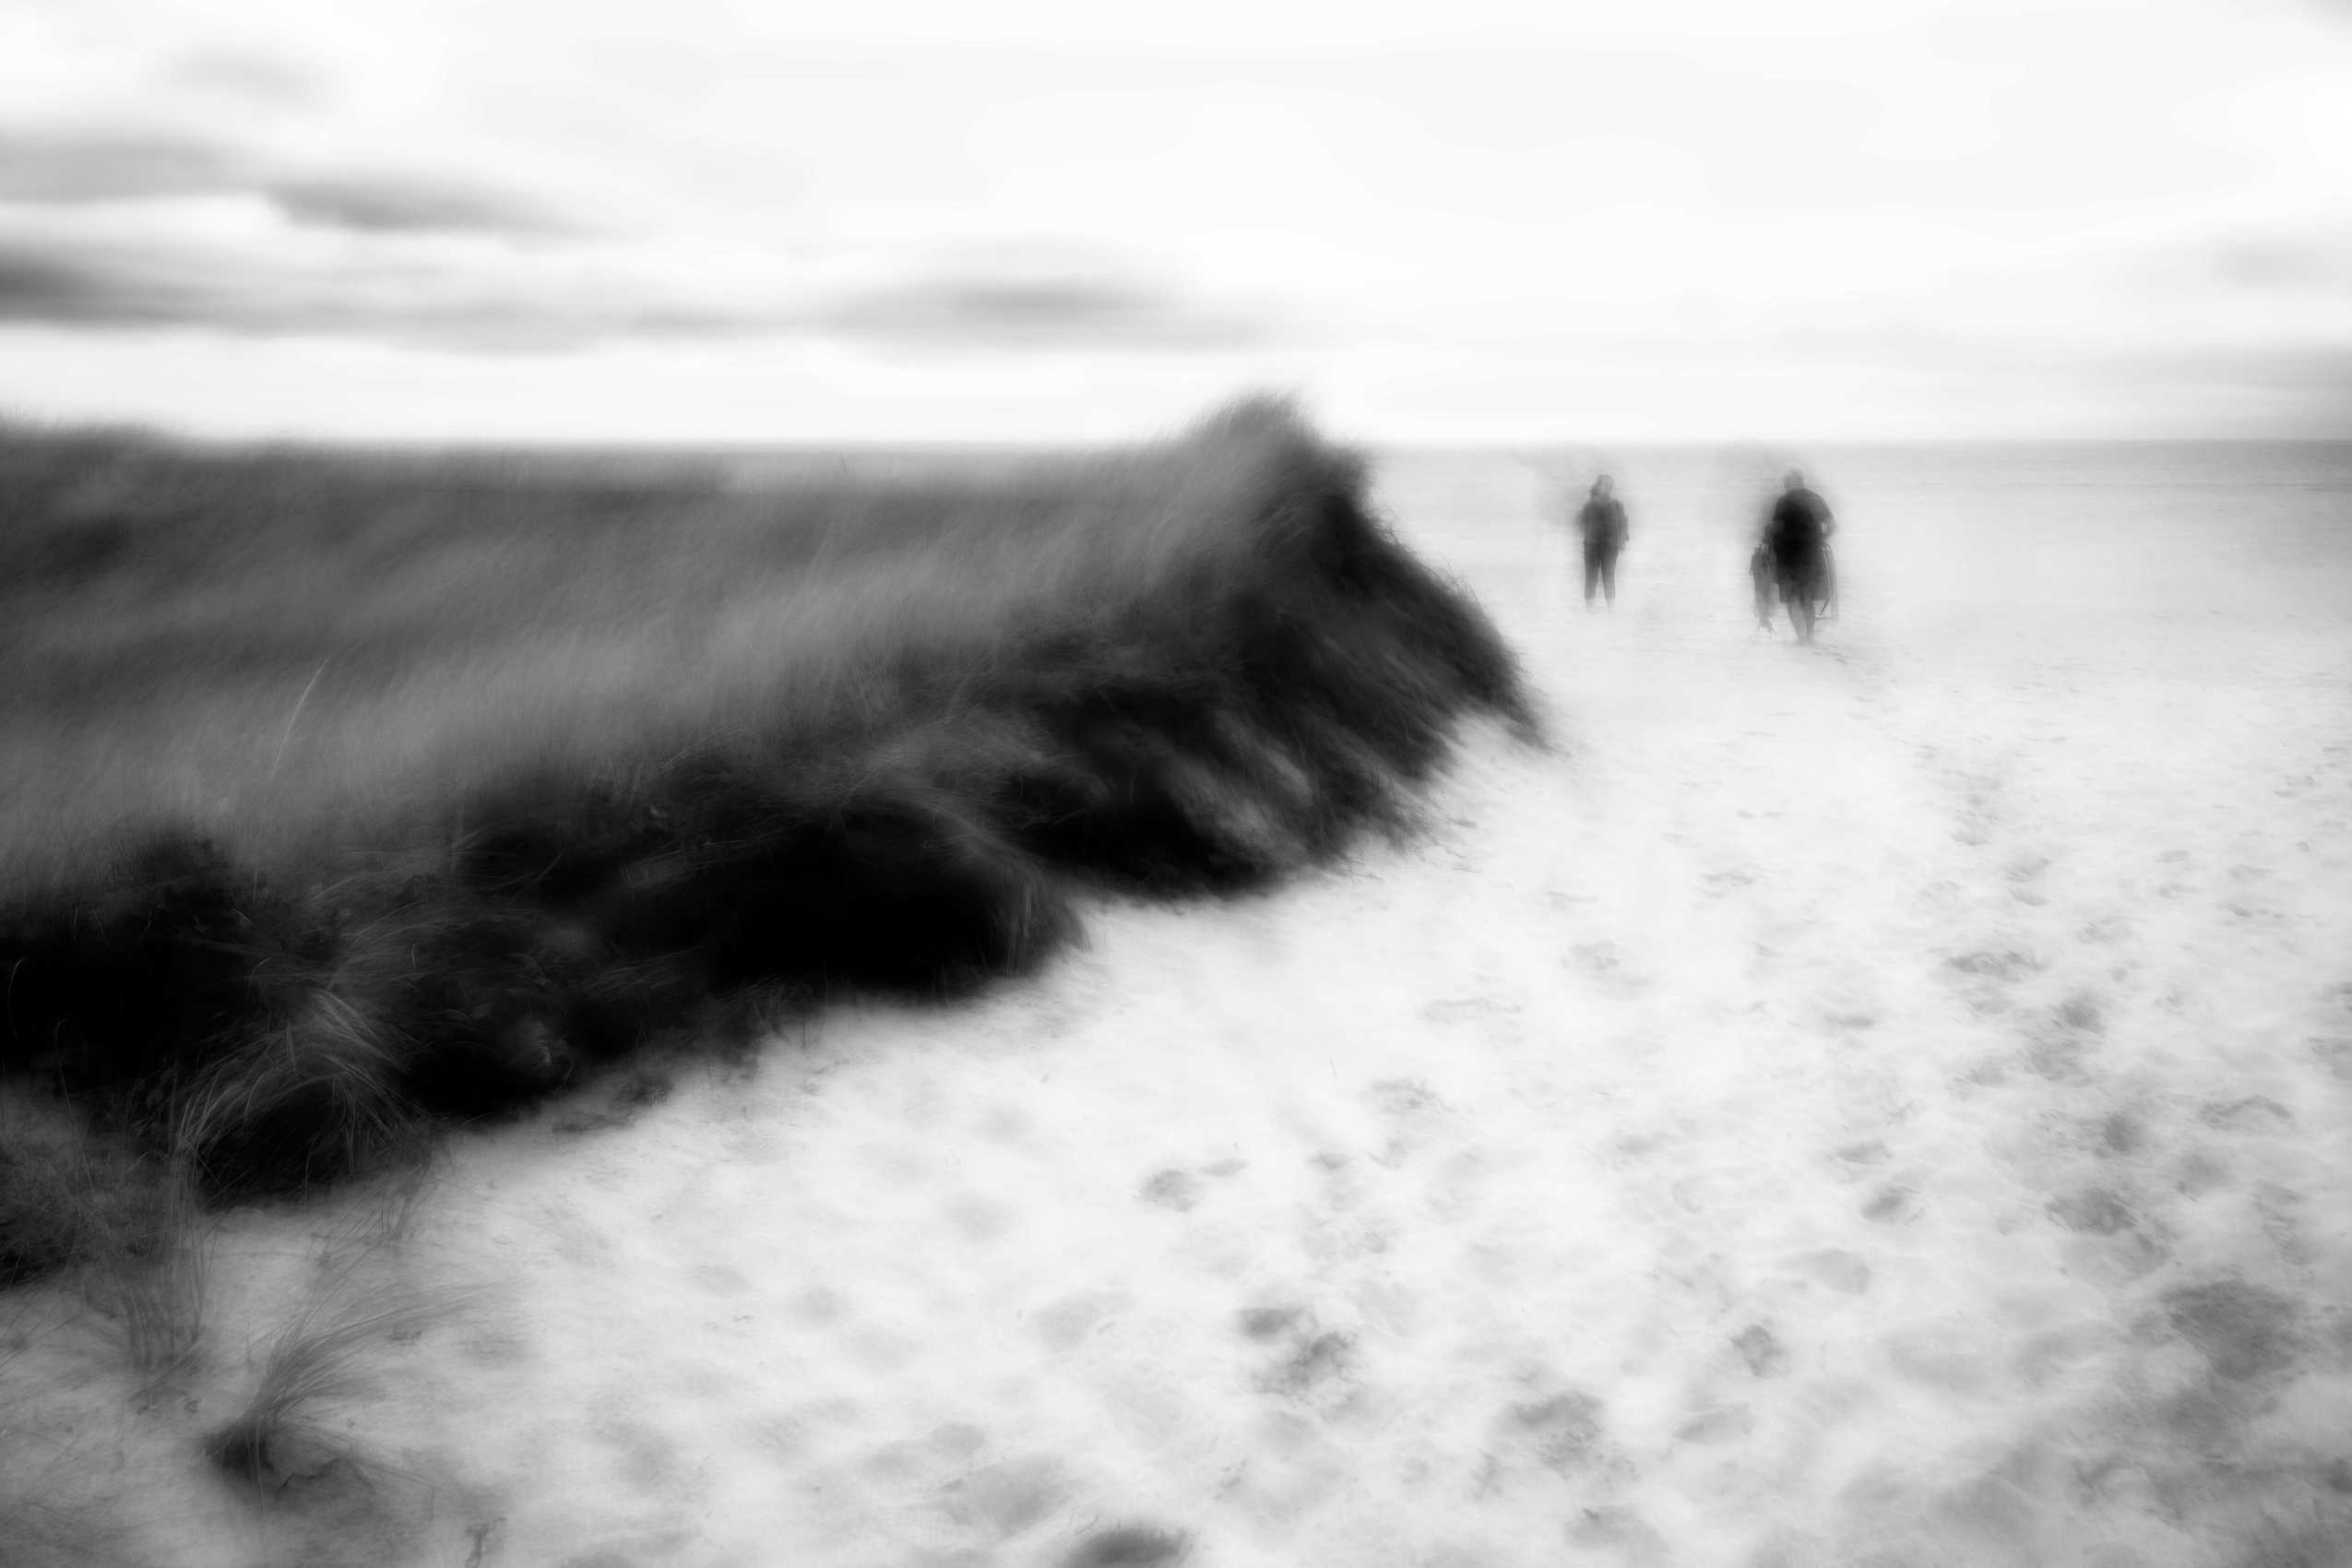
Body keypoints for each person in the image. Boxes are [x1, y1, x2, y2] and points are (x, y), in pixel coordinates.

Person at [1762, 469, 1836, 644]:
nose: (1785, 486)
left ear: (1791, 482)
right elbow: (1832, 525)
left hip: (1788, 557)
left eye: (1786, 483)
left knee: (1792, 598)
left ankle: (1801, 637)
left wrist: (1766, 544)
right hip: (1812, 556)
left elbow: (1776, 529)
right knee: (1807, 597)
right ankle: (1809, 636)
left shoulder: (1784, 502)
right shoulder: (1815, 498)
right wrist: (1821, 539)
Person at [1574, 474, 1629, 609]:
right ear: (1598, 486)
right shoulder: (1590, 504)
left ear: (1610, 487)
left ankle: (1610, 608)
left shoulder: (1617, 505)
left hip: (1610, 547)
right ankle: (1589, 608)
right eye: (1603, 484)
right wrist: (1589, 534)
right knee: (1590, 576)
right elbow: (1580, 521)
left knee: (1609, 576)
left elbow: (1623, 524)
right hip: (1591, 546)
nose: (1605, 487)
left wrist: (1621, 541)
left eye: (1608, 485)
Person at [1749, 540, 1778, 635]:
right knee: (1762, 609)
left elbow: (1771, 575)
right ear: (1761, 548)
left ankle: (1765, 629)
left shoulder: (1768, 559)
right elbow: (1756, 574)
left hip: (1767, 589)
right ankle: (1767, 629)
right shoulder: (1756, 558)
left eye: (1767, 549)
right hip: (1760, 589)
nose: (1765, 550)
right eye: (1764, 548)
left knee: (1764, 610)